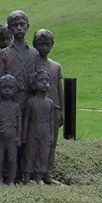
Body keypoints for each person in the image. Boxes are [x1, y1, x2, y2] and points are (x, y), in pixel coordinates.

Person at [33, 29, 63, 184]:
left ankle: (48, 174)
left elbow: (59, 88)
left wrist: (62, 110)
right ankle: (33, 173)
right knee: (34, 142)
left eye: (47, 44)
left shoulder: (56, 66)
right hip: (37, 109)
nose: (44, 47)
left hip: (54, 108)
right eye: (40, 44)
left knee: (51, 143)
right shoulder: (32, 64)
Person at [22, 70, 56, 184]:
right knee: (30, 153)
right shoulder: (31, 102)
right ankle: (26, 179)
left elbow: (51, 120)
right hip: (33, 129)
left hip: (45, 130)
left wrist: (51, 134)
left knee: (43, 153)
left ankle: (38, 179)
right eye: (41, 80)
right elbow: (26, 119)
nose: (45, 83)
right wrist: (24, 135)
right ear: (34, 84)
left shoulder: (50, 103)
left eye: (47, 81)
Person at [0, 75, 22, 186]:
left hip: (12, 137)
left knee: (12, 160)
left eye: (10, 88)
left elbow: (19, 124)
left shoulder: (16, 107)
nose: (7, 90)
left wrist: (19, 137)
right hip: (0, 137)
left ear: (15, 90)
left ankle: (11, 181)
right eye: (4, 88)